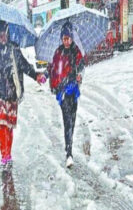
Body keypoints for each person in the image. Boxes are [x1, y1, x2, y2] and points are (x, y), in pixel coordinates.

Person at [0, 21, 46, 165]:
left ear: (8, 34)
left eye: (4, 34)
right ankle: (4, 155)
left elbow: (25, 66)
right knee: (1, 124)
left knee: (9, 125)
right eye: (0, 35)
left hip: (12, 92)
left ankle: (8, 153)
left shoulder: (14, 49)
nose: (2, 37)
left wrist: (36, 75)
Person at [47, 22, 84, 168]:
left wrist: (80, 75)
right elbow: (52, 68)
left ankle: (69, 147)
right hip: (62, 93)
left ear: (72, 38)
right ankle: (69, 153)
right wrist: (45, 76)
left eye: (68, 38)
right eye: (64, 38)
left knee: (72, 123)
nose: (66, 41)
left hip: (73, 92)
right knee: (67, 121)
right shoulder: (58, 52)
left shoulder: (76, 52)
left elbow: (82, 66)